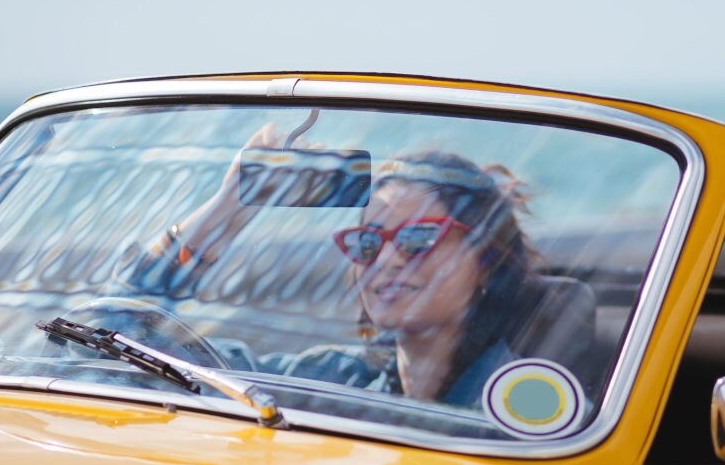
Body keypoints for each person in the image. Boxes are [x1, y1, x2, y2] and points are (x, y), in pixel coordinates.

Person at [123, 121, 563, 410]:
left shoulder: (520, 402)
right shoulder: (335, 381)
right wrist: (228, 208)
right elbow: (123, 349)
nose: (386, 259)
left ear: (484, 260)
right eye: (368, 242)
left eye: (418, 238)